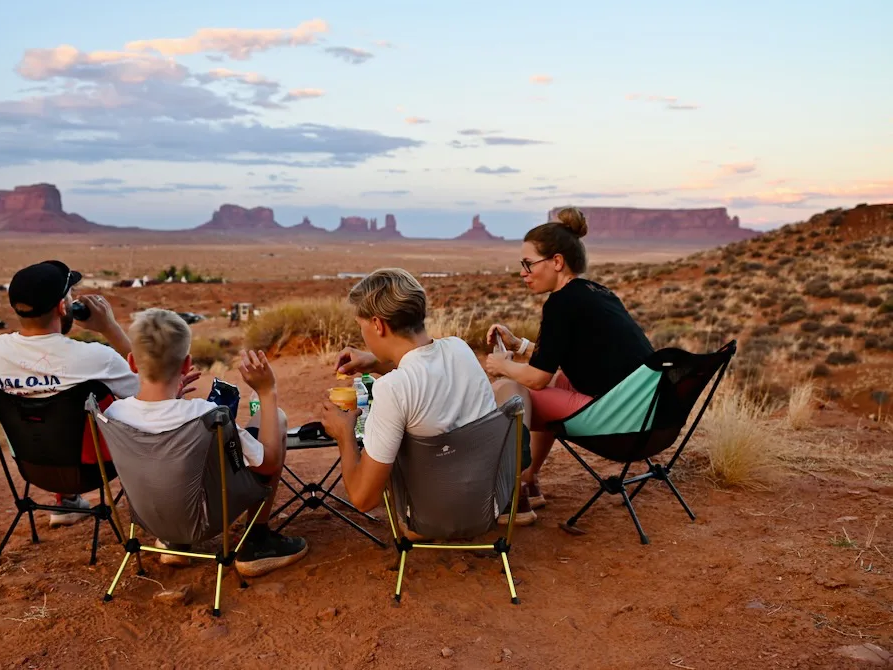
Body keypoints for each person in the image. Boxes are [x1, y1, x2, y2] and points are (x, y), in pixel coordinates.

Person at [0, 260, 200, 527]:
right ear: (63, 307)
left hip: (32, 468)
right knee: (124, 413)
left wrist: (27, 396)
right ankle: (168, 522)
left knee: (57, 419)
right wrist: (109, 327)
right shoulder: (95, 358)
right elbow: (153, 391)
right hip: (93, 471)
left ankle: (65, 502)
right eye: (70, 295)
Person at [320, 268, 536, 528]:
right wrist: (376, 362)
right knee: (506, 388)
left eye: (361, 326)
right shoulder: (459, 348)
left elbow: (363, 499)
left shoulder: (391, 389)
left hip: (427, 520)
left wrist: (344, 433)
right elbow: (426, 377)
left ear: (377, 324)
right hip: (486, 506)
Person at [103, 308, 308, 577]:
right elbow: (267, 464)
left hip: (150, 520)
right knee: (276, 420)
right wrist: (267, 393)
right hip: (207, 520)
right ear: (187, 364)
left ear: (132, 362)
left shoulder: (112, 414)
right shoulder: (204, 415)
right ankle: (257, 540)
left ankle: (173, 543)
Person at [483, 207, 653, 511]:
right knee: (562, 380)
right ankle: (528, 481)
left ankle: (514, 492)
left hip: (619, 423)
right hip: (647, 416)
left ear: (557, 262)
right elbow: (573, 352)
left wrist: (501, 365)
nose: (523, 272)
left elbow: (537, 378)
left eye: (528, 263)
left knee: (511, 393)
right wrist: (519, 345)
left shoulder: (560, 304)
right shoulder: (595, 293)